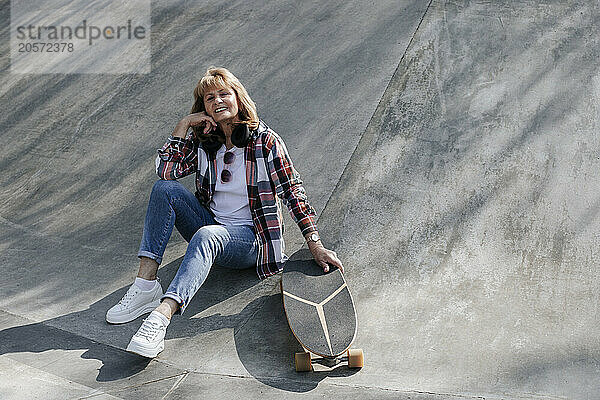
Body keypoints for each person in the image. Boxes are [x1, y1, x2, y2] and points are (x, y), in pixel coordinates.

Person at [105, 67, 344, 358]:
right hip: (211, 227)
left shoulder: (266, 142)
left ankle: (160, 316)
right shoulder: (206, 141)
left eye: (223, 94)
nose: (217, 101)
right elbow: (166, 172)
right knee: (163, 189)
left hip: (250, 242)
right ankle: (145, 287)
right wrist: (183, 125)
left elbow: (293, 192)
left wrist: (314, 244)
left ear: (238, 98)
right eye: (209, 98)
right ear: (203, 107)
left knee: (208, 235)